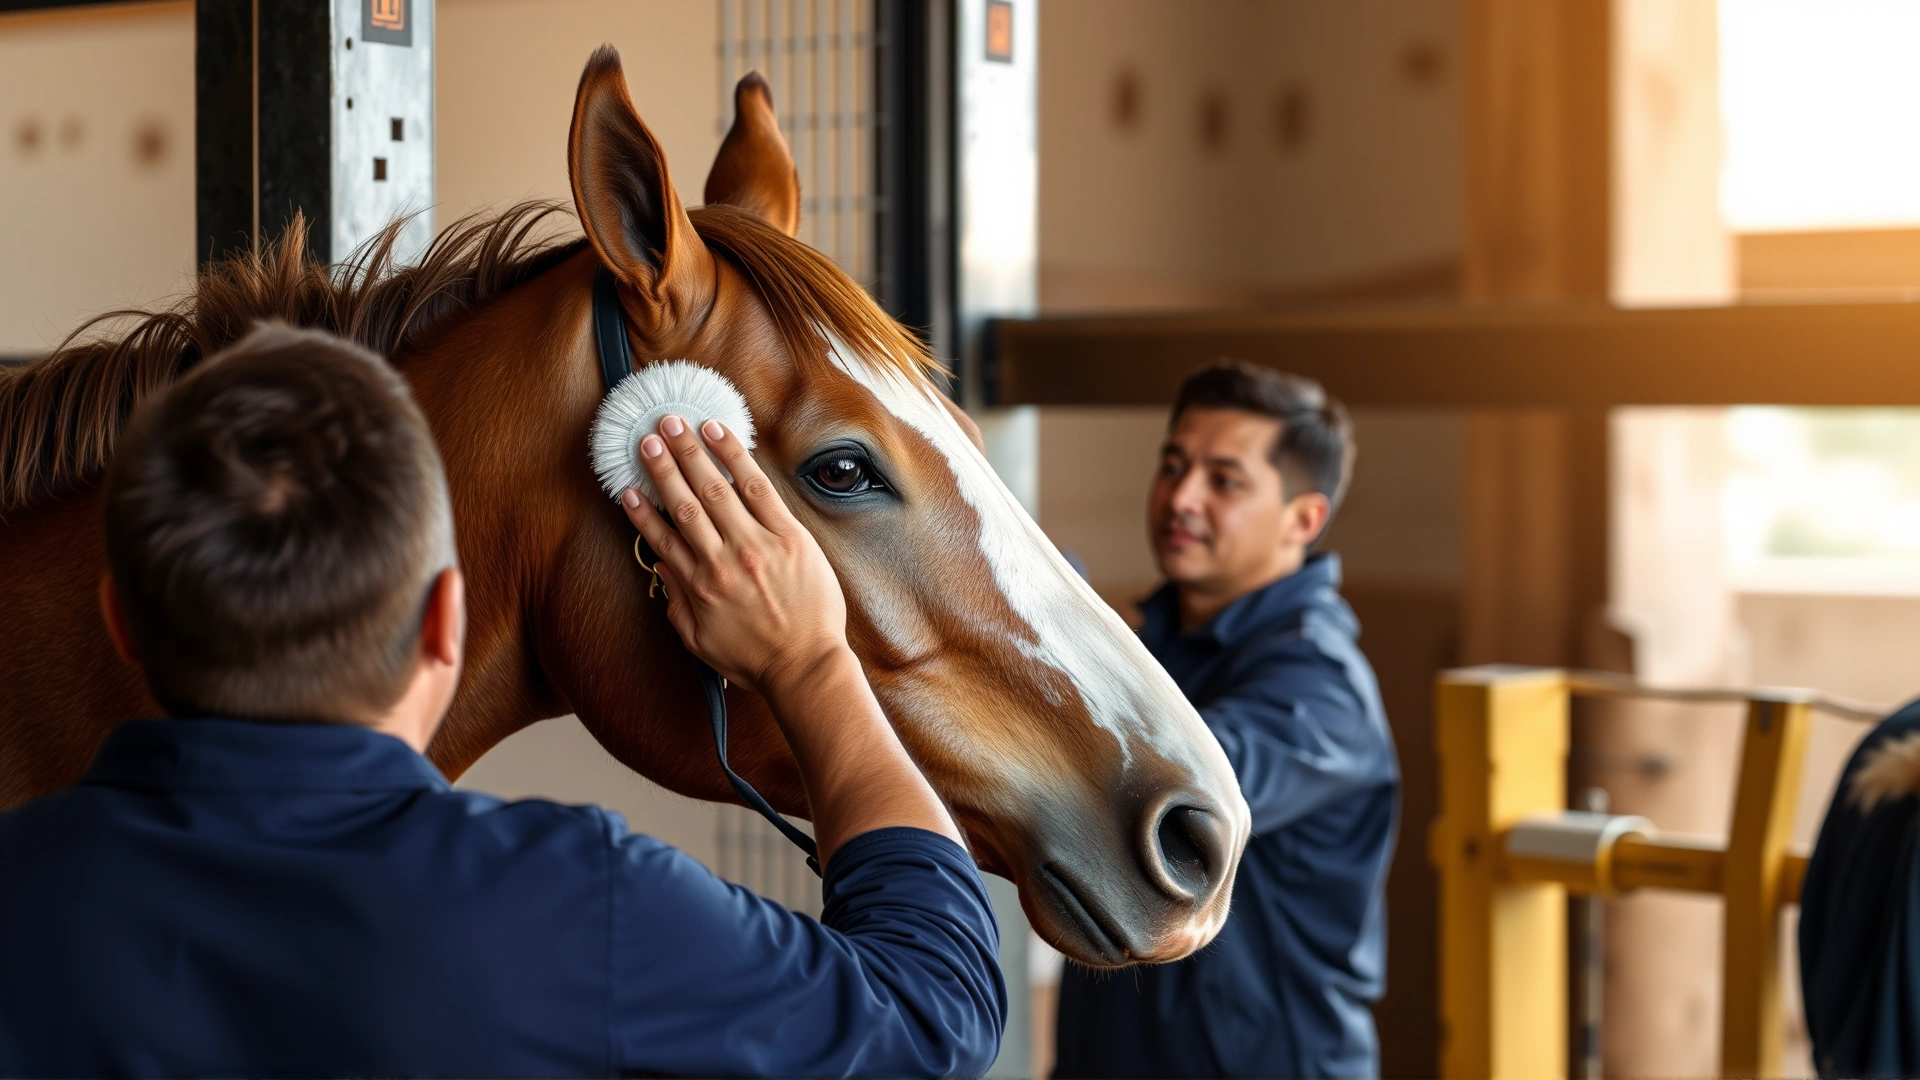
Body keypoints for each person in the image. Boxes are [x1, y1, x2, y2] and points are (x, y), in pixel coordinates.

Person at [0, 324, 1004, 1078]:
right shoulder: (579, 907)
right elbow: (933, 1011)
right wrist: (812, 663)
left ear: (120, 620)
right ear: (448, 622)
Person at [1054, 360, 1399, 1080]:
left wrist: (1038, 600)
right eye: (1173, 466)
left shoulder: (1321, 689)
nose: (1181, 498)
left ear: (1303, 520)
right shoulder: (1152, 646)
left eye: (1225, 481)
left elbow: (1174, 793)